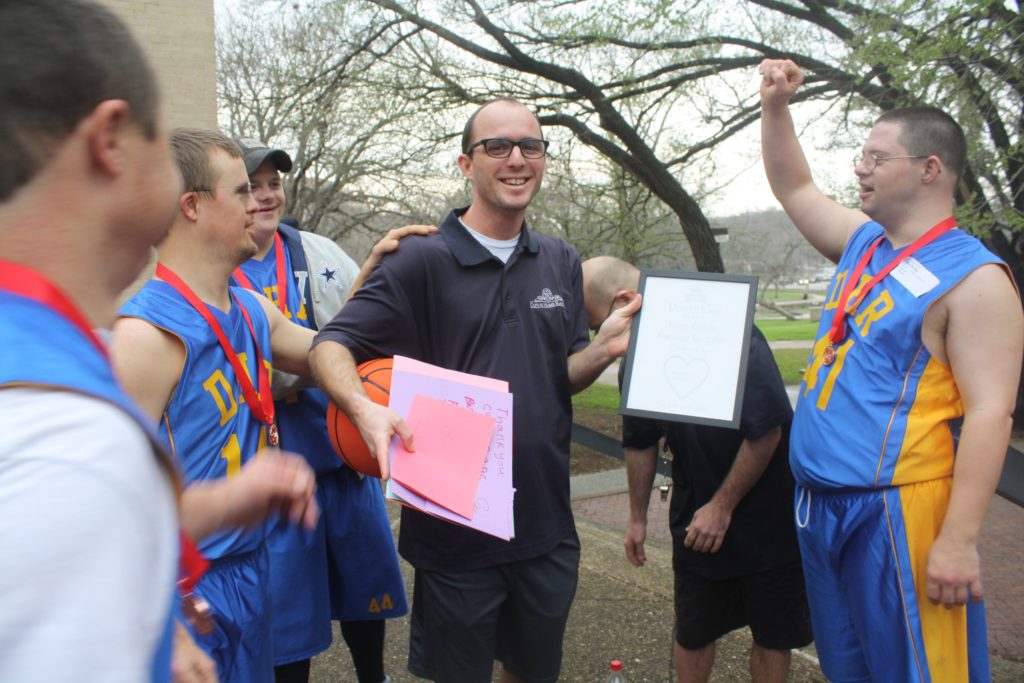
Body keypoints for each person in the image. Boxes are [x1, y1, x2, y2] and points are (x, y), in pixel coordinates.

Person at [0, 4, 318, 682]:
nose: (258, 202)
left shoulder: (56, 354)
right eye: (157, 136)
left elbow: (104, 510)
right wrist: (161, 617)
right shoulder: (59, 407)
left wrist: (222, 503)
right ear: (111, 141)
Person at [309, 97, 641, 683]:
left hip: (544, 525)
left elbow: (558, 376)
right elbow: (327, 347)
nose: (517, 159)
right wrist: (363, 409)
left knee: (532, 672)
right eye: (497, 147)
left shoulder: (560, 259)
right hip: (455, 530)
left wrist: (601, 349)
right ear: (466, 164)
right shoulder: (420, 261)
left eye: (530, 146)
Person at [759, 59, 1023, 682]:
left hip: (899, 510)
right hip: (822, 505)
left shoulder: (977, 279)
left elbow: (992, 413)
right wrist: (775, 107)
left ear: (930, 169)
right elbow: (795, 187)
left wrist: (958, 540)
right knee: (848, 669)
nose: (860, 168)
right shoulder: (865, 242)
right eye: (861, 155)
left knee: (920, 672)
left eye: (878, 157)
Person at [111, 128, 322, 683]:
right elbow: (105, 505)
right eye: (240, 192)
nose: (259, 204)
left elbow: (328, 351)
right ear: (193, 206)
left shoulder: (250, 308)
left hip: (252, 567)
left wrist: (391, 287)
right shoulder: (146, 335)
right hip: (190, 586)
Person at [232, 136, 434, 683]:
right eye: (252, 187)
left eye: (274, 184)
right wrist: (321, 364)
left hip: (344, 460)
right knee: (290, 616)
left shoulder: (314, 251)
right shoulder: (221, 273)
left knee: (366, 591)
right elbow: (274, 370)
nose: (267, 196)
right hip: (275, 474)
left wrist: (372, 266)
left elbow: (356, 331)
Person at [582, 256, 812, 683]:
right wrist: (635, 518)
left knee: (773, 635)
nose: (601, 336)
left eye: (598, 323)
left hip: (767, 516)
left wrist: (721, 507)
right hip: (694, 511)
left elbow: (767, 431)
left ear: (625, 300)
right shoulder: (635, 349)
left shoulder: (727, 326)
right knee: (693, 630)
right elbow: (641, 439)